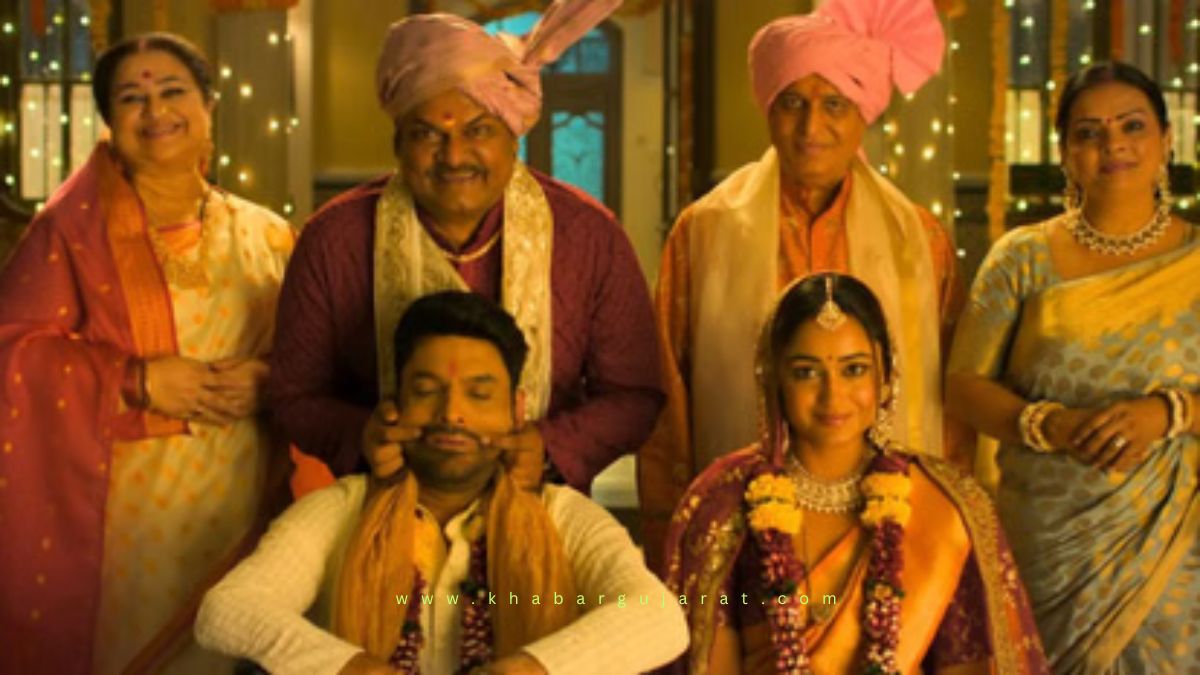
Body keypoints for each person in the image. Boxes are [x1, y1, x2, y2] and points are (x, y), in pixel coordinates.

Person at [271, 0, 661, 496]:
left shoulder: (588, 236)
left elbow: (635, 395)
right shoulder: (335, 239)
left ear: (513, 138)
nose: (454, 156)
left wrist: (549, 449)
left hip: (542, 506)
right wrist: (362, 437)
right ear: (398, 145)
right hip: (380, 505)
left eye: (478, 131)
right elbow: (294, 395)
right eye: (428, 134)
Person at [196, 291, 688, 674]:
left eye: (479, 395)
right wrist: (350, 669)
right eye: (427, 390)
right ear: (395, 405)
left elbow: (659, 618)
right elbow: (228, 610)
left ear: (516, 410)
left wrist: (530, 670)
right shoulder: (342, 509)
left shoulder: (563, 517)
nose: (452, 413)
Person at [0, 33, 294, 674]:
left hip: (244, 506)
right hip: (124, 526)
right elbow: (11, 353)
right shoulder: (69, 234)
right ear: (110, 120)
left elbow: (314, 357)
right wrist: (133, 379)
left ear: (208, 106)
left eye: (173, 91)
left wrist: (271, 380)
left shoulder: (268, 233)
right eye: (132, 98)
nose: (156, 110)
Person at [638, 0, 965, 569]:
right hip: (741, 531)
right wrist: (680, 542)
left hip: (884, 531)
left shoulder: (919, 239)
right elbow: (668, 402)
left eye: (833, 103)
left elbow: (949, 408)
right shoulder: (706, 231)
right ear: (768, 109)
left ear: (863, 112)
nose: (812, 127)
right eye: (792, 103)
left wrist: (941, 539)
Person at [945, 61, 1200, 672]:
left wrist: (1168, 413)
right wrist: (1048, 424)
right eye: (1089, 132)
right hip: (1047, 545)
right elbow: (963, 386)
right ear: (1064, 153)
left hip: (1171, 547)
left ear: (1167, 140)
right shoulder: (1021, 258)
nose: (1113, 144)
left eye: (1132, 126)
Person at [664, 274, 1048, 674]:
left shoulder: (944, 504)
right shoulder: (725, 502)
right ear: (774, 379)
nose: (833, 396)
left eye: (854, 369)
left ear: (886, 376)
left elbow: (969, 661)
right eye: (806, 372)